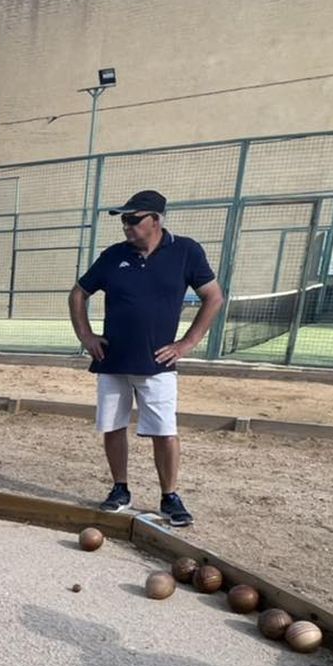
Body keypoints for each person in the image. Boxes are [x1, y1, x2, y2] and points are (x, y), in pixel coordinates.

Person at [68, 190, 224, 527]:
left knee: (164, 432)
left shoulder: (186, 251)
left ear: (156, 219)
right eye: (123, 220)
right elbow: (79, 293)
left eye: (133, 219)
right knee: (112, 426)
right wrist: (86, 336)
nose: (126, 226)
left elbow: (214, 297)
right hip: (112, 359)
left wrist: (188, 342)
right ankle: (120, 489)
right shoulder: (113, 256)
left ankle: (170, 497)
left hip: (158, 362)